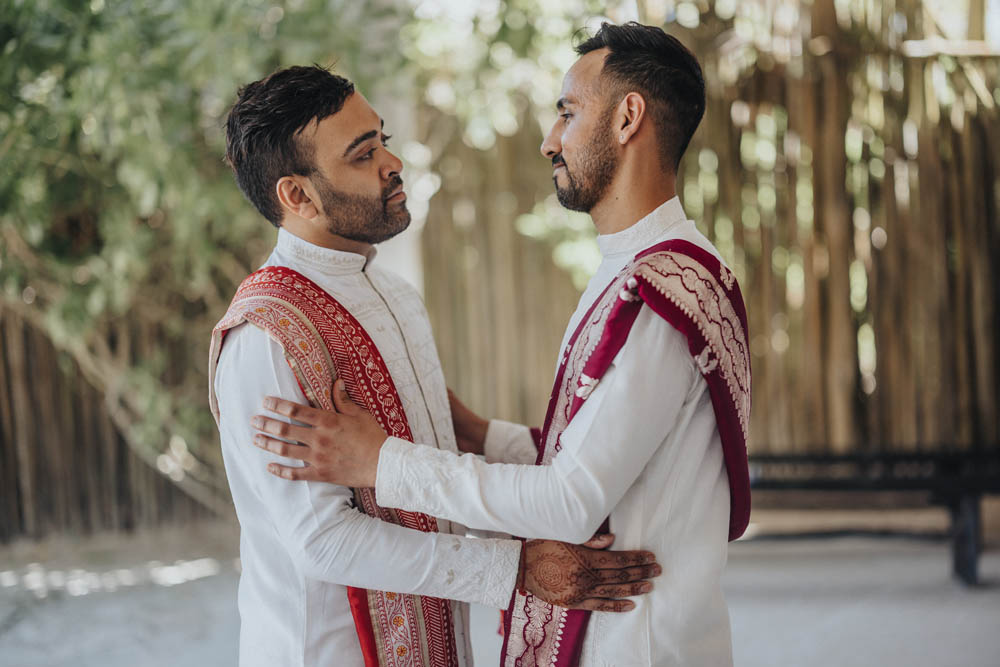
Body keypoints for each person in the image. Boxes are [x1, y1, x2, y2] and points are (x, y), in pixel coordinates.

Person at [252, 23, 752, 666]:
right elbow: (600, 449)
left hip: (637, 641)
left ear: (629, 118)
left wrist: (383, 463)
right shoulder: (645, 270)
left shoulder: (657, 295)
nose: (550, 140)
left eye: (568, 113)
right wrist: (479, 432)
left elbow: (572, 499)